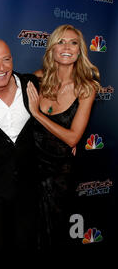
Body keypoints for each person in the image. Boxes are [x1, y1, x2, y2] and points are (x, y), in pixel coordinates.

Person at [26, 24, 100, 247]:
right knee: (28, 232)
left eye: (73, 42)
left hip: (60, 176)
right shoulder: (36, 79)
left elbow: (72, 138)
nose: (67, 47)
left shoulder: (86, 88)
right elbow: (1, 83)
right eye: (61, 41)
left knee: (55, 235)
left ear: (79, 50)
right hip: (30, 168)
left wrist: (37, 114)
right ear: (52, 49)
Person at [0, 39, 39, 249]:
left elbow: (65, 92)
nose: (1, 67)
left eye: (6, 60)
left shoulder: (32, 84)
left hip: (31, 193)